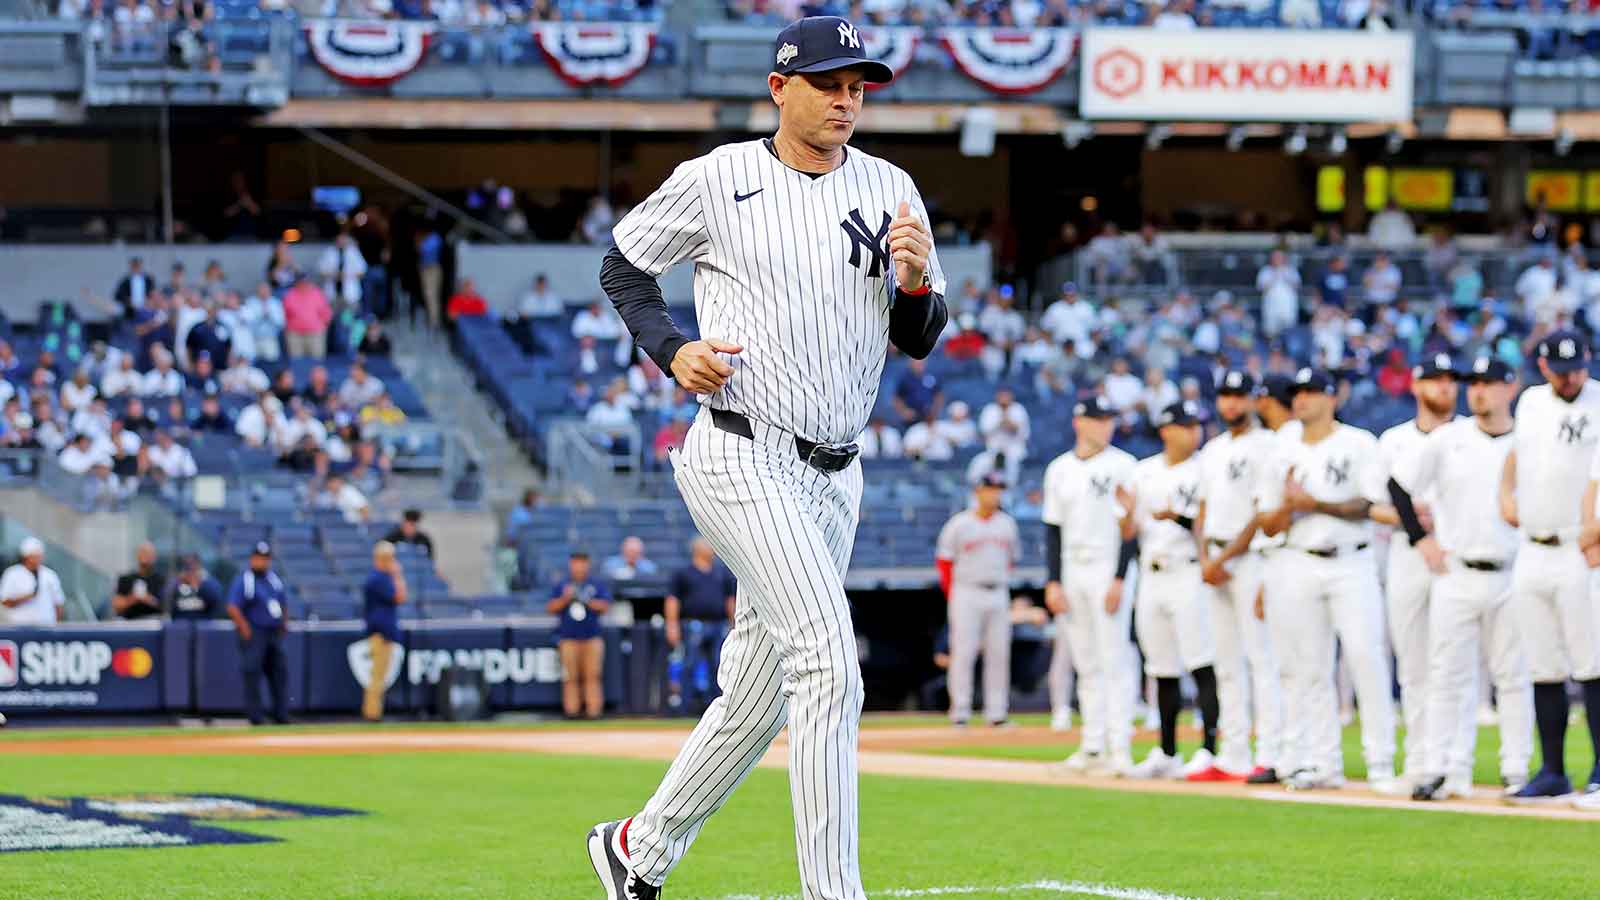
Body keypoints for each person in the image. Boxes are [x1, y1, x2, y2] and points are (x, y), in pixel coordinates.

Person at [588, 16, 948, 899]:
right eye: (829, 82)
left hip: (836, 476)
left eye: (858, 84)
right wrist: (672, 348)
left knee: (757, 697)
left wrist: (914, 285)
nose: (846, 98)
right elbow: (624, 266)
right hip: (741, 450)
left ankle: (640, 846)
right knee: (828, 661)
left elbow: (922, 338)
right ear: (781, 88)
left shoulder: (892, 186)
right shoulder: (719, 178)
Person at [1391, 357, 1534, 802]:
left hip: (1512, 569)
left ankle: (1515, 768)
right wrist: (1420, 539)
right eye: (1474, 383)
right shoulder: (1449, 438)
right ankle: (1440, 767)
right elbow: (1399, 484)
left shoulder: (1528, 440)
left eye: (1489, 383)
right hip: (1456, 570)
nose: (1479, 391)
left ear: (1510, 389)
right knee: (1446, 674)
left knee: (1512, 675)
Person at [1257, 369, 1401, 793]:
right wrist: (1287, 506)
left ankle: (1380, 763)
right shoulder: (1280, 447)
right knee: (1309, 665)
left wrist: (1314, 502)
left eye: (1310, 392)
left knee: (1365, 657)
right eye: (1296, 392)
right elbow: (1267, 522)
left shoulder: (1358, 443)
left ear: (1332, 397)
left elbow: (1370, 504)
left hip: (1350, 560)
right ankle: (1323, 761)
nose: (1300, 399)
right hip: (1296, 558)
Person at [1503, 330, 1600, 802]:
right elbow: (1517, 455)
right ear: (1544, 368)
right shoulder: (1531, 403)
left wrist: (1596, 528)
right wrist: (1504, 494)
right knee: (1542, 663)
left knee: (1592, 661)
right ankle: (1553, 772)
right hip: (1532, 544)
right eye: (1562, 371)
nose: (1571, 378)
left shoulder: (1599, 402)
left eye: (1578, 368)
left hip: (1579, 547)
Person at [1371, 354, 1475, 795]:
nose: (1444, 387)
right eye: (1435, 379)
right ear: (1416, 386)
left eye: (1451, 380)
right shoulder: (1394, 440)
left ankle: (1457, 766)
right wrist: (1410, 519)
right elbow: (1371, 503)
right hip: (1407, 553)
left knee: (1458, 665)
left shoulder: (1472, 436)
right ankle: (1418, 763)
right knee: (1413, 665)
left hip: (1455, 554)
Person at [1191, 371, 1285, 783]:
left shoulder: (1268, 445)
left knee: (1261, 658)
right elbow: (1202, 510)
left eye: (1239, 396)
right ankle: (1232, 753)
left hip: (1248, 559)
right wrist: (1204, 558)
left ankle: (1270, 751)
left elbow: (1260, 512)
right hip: (1214, 556)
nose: (1231, 403)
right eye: (1226, 395)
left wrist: (1223, 557)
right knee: (1226, 662)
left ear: (1254, 400)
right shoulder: (1211, 450)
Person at [1123, 401, 1222, 779]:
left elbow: (1206, 525)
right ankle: (1166, 750)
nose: (1192, 432)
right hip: (1151, 571)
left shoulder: (1203, 470)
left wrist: (1177, 517)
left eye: (1195, 425)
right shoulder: (1143, 472)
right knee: (1160, 666)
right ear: (1166, 430)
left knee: (1200, 660)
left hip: (1188, 572)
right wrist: (1126, 519)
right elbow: (1129, 532)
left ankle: (1210, 748)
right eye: (1185, 425)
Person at [1042, 396, 1139, 771]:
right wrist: (1053, 582)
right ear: (1079, 423)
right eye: (1098, 419)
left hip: (1106, 565)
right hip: (1073, 566)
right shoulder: (1059, 469)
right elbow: (1053, 531)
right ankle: (1093, 743)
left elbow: (1129, 531)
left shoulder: (1123, 465)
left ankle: (1120, 747)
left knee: (1114, 658)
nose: (1105, 426)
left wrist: (1119, 576)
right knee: (1085, 660)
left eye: (1108, 419)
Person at [934, 472, 1021, 727]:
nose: (994, 494)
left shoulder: (1007, 524)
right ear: (977, 492)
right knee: (963, 652)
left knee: (999, 652)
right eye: (990, 489)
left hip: (998, 591)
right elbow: (944, 562)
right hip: (966, 591)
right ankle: (960, 711)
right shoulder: (959, 524)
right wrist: (953, 595)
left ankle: (997, 713)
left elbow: (1011, 561)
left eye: (998, 489)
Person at [663, 537, 738, 708]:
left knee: (719, 665)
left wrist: (734, 623)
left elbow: (730, 600)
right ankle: (685, 704)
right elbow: (673, 600)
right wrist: (672, 625)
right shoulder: (684, 573)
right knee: (689, 663)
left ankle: (718, 704)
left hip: (718, 624)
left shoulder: (721, 573)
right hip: (692, 624)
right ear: (697, 549)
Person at [225, 541, 290, 726]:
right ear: (252, 559)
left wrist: (284, 623)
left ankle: (281, 714)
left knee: (279, 673)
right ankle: (256, 717)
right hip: (255, 632)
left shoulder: (273, 579)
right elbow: (232, 606)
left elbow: (283, 602)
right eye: (259, 558)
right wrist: (244, 627)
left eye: (265, 558)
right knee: (252, 673)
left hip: (273, 632)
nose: (262, 562)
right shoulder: (245, 579)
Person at [547, 551, 611, 720]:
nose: (579, 567)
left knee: (593, 675)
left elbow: (605, 606)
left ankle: (593, 711)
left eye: (582, 563)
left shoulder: (595, 584)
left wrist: (587, 600)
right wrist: (566, 598)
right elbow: (551, 607)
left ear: (587, 564)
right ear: (570, 564)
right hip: (568, 638)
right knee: (570, 676)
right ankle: (572, 711)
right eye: (576, 563)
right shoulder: (563, 585)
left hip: (592, 637)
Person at [361, 541, 407, 722]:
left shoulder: (380, 577)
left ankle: (373, 711)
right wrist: (397, 574)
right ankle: (372, 713)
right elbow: (400, 596)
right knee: (377, 676)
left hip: (383, 633)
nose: (392, 562)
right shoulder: (377, 578)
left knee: (379, 675)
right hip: (379, 634)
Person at [0, 537, 65, 624]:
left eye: (39, 555)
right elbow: (5, 602)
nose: (37, 559)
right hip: (19, 629)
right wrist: (26, 598)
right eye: (34, 556)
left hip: (46, 628)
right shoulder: (12, 573)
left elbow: (58, 603)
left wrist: (57, 626)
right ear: (25, 557)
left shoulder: (50, 574)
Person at [111, 542, 166, 620]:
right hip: (129, 623)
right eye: (143, 552)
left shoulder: (161, 580)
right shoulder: (125, 579)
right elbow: (117, 605)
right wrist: (133, 598)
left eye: (148, 553)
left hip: (153, 623)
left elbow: (166, 606)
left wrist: (147, 598)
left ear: (154, 557)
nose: (145, 555)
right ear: (137, 555)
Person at [283, 275, 332, 359]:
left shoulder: (317, 293)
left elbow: (326, 312)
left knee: (317, 361)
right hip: (295, 334)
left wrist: (323, 327)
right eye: (301, 282)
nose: (304, 284)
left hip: (315, 333)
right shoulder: (290, 295)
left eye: (306, 282)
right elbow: (284, 314)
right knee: (297, 361)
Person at [164, 554, 222, 620]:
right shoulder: (177, 581)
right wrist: (178, 582)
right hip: (179, 623)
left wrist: (199, 584)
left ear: (199, 565)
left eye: (193, 566)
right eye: (187, 566)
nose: (191, 571)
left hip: (204, 623)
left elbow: (215, 601)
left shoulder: (209, 581)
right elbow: (165, 600)